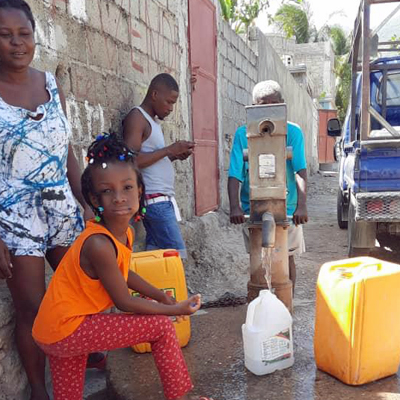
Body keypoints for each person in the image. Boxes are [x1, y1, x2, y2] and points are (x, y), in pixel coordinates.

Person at [32, 134, 212, 400]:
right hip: (69, 329)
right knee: (161, 327)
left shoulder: (122, 234)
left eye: (127, 187)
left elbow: (123, 273)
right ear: (94, 199)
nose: (118, 198)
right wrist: (172, 309)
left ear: (140, 190)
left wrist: (159, 294)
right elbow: (124, 301)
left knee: (67, 396)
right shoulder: (98, 244)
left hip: (52, 330)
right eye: (107, 191)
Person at [0, 2, 102, 399]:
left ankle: (78, 367)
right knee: (33, 310)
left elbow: (67, 152)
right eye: (5, 35)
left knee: (80, 291)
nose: (16, 43)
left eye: (23, 34)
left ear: (34, 35)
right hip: (15, 218)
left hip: (62, 208)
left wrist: (87, 198)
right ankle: (40, 391)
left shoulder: (51, 85)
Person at [228, 80, 308, 292]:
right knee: (258, 260)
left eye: (274, 105)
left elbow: (300, 170)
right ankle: (261, 300)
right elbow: (234, 174)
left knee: (286, 259)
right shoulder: (242, 134)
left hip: (288, 209)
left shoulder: (293, 133)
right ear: (253, 107)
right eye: (262, 106)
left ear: (282, 105)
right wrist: (235, 206)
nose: (268, 112)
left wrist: (301, 206)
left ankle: (286, 301)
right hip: (252, 208)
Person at [123, 73, 195, 259]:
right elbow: (130, 161)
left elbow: (151, 160)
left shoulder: (152, 122)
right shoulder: (137, 117)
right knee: (176, 257)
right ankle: (179, 290)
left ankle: (155, 289)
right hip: (154, 201)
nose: (171, 108)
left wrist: (174, 155)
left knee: (155, 257)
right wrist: (169, 150)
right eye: (169, 102)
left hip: (162, 200)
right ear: (154, 95)